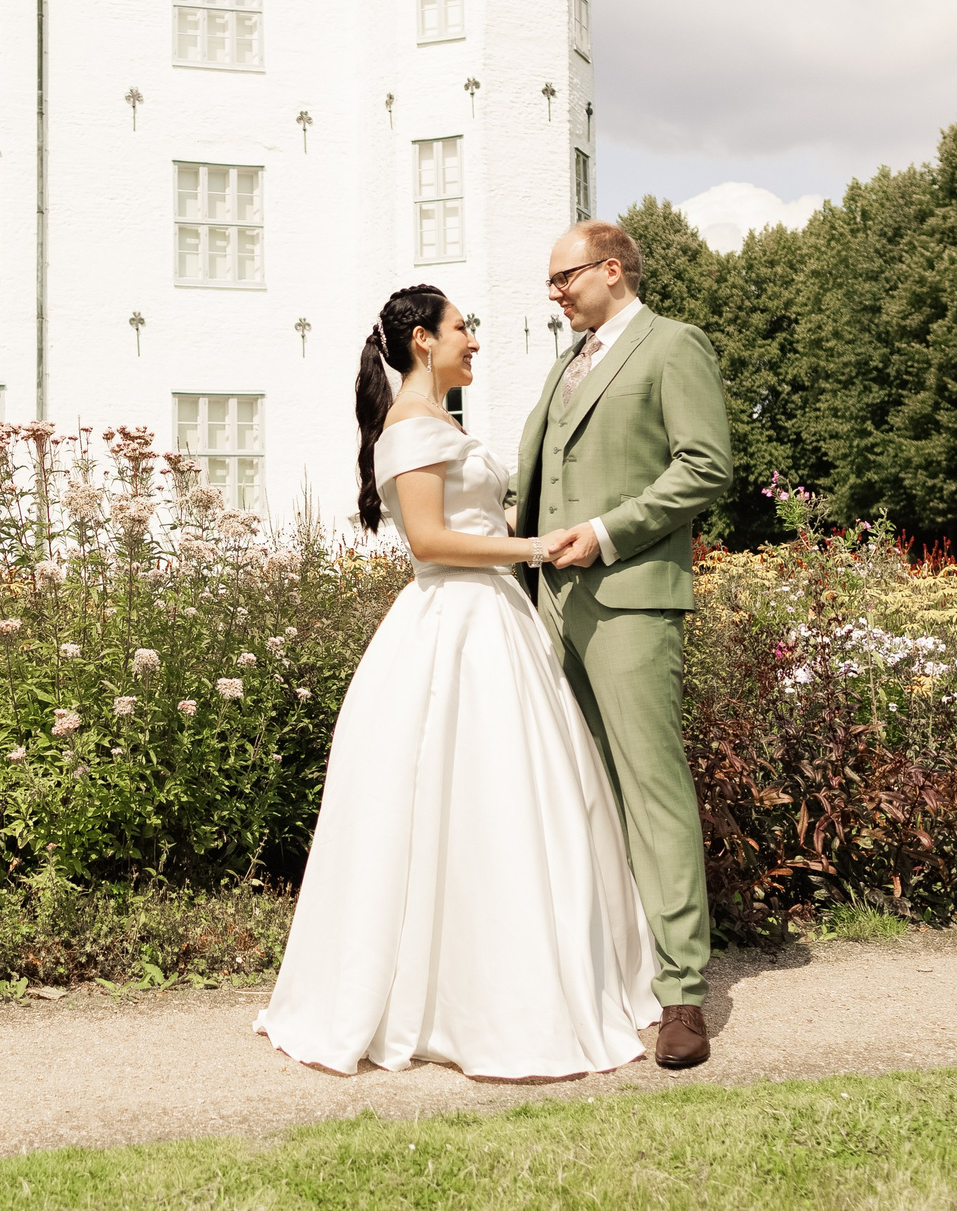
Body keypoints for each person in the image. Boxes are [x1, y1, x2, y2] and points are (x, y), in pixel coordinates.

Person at [255, 284, 662, 1080]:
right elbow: (435, 542)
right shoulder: (409, 428)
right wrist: (537, 548)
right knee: (465, 794)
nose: (473, 340)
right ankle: (456, 998)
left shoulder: (441, 422)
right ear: (420, 340)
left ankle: (511, 976)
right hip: (453, 625)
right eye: (462, 327)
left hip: (495, 622)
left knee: (513, 796)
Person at [519, 219, 734, 1069]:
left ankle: (683, 994)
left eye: (564, 276)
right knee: (578, 787)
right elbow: (540, 480)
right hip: (549, 603)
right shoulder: (564, 365)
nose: (554, 291)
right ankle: (611, 969)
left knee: (650, 790)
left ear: (613, 269)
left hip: (632, 600)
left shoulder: (674, 346)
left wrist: (607, 531)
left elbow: (705, 464)